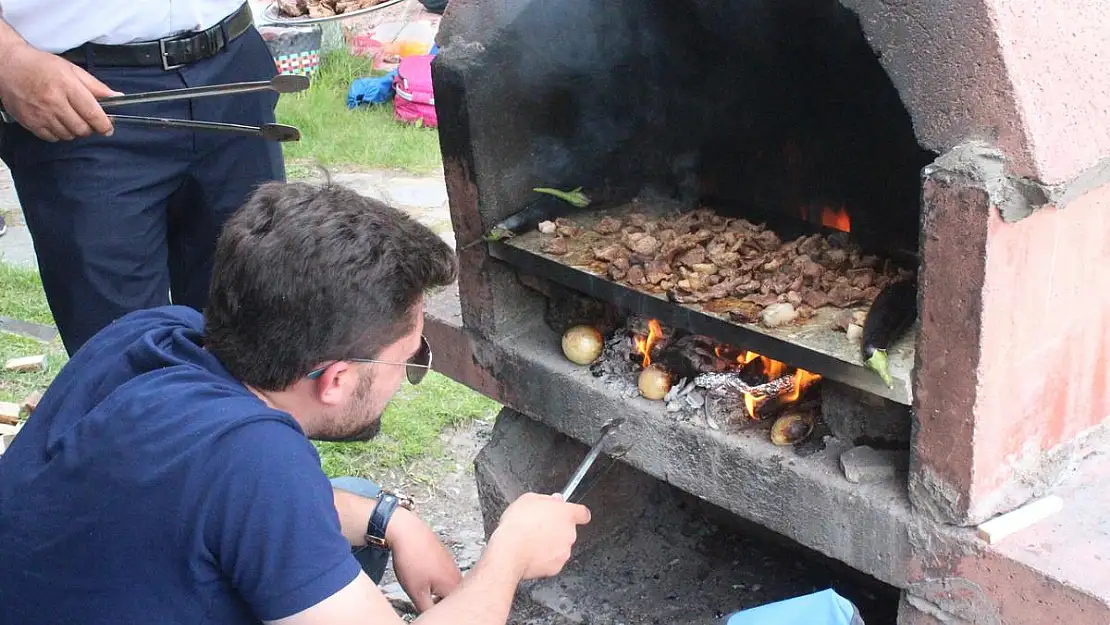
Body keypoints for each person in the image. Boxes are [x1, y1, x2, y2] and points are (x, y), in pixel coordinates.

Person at [0, 180, 592, 625]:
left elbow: (229, 499)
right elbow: (253, 487)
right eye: (407, 359)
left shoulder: (157, 332)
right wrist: (508, 556)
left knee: (357, 498)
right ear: (335, 379)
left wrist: (393, 521)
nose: (408, 374)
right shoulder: (253, 460)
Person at [0, 1, 285, 355]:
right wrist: (7, 57)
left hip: (232, 65)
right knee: (124, 359)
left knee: (263, 330)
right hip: (80, 93)